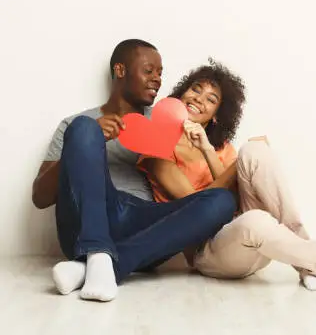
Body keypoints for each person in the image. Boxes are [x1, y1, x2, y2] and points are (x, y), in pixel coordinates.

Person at [139, 62, 316, 290]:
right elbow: (199, 209)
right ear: (182, 92)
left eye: (211, 99)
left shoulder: (220, 148)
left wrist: (208, 149)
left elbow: (233, 193)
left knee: (255, 151)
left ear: (217, 114)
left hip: (251, 233)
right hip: (211, 251)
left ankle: (309, 266)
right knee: (257, 220)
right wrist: (232, 162)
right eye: (196, 89)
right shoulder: (156, 147)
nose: (199, 99)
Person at [31, 40, 236, 302]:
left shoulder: (169, 121)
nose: (157, 80)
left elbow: (194, 182)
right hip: (85, 224)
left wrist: (210, 149)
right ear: (120, 70)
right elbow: (40, 198)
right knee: (84, 128)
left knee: (222, 201)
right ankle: (97, 249)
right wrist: (89, 140)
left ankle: (95, 268)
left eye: (160, 73)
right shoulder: (74, 125)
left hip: (142, 225)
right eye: (149, 71)